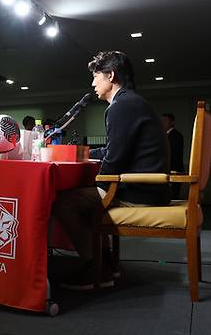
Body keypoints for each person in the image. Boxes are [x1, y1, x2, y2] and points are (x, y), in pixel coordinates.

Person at [53, 50, 169, 290]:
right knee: (84, 195)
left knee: (64, 201)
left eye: (96, 76)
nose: (92, 83)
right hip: (148, 187)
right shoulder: (131, 101)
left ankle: (93, 266)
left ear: (111, 75)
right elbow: (115, 149)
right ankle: (105, 263)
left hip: (139, 192)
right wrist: (83, 154)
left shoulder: (121, 106)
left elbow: (114, 159)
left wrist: (98, 190)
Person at [161, 113, 185, 199]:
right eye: (161, 121)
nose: (162, 123)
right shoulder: (163, 135)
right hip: (166, 170)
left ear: (172, 122)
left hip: (174, 169)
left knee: (173, 196)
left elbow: (173, 154)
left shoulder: (176, 135)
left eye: (165, 121)